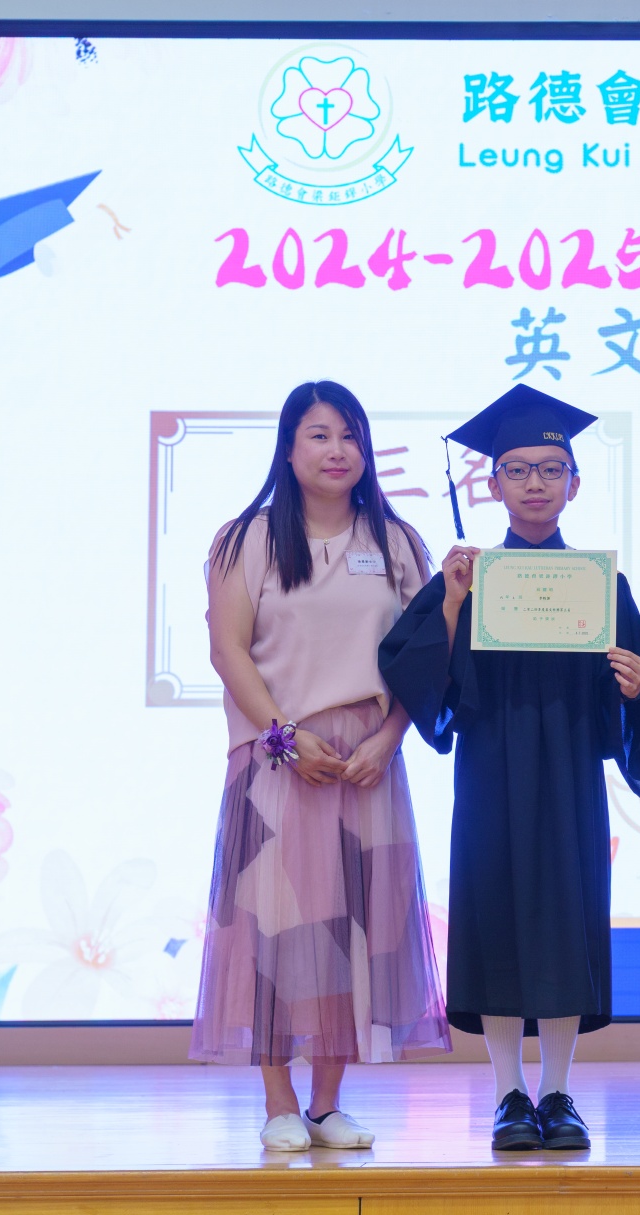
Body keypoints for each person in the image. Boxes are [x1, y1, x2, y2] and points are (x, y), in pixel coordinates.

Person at [378, 384, 640, 1153]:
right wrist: (450, 604)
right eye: (517, 469)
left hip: (569, 775)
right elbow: (412, 671)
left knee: (566, 920)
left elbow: (627, 707)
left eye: (550, 469)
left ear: (575, 483)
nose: (534, 483)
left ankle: (559, 1092)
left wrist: (634, 685)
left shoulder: (603, 584)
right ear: (493, 483)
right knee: (497, 918)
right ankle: (509, 1093)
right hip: (492, 775)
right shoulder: (470, 578)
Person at [192, 379, 448, 1153]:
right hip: (278, 758)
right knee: (271, 929)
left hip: (365, 761)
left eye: (350, 435)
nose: (338, 450)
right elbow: (228, 649)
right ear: (289, 447)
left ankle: (328, 1104)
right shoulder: (247, 539)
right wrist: (283, 736)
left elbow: (424, 655)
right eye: (320, 434)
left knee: (354, 927)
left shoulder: (396, 541)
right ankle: (278, 1101)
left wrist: (390, 739)